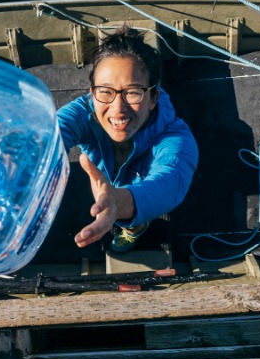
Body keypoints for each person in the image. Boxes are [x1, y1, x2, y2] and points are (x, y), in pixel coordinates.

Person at [57, 26, 199, 252]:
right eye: (105, 91)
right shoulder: (83, 113)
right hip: (105, 189)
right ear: (92, 93)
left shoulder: (176, 138)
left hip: (131, 196)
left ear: (153, 98)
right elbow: (49, 137)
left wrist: (119, 203)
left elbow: (171, 180)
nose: (117, 108)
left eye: (133, 92)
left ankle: (134, 229)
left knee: (132, 220)